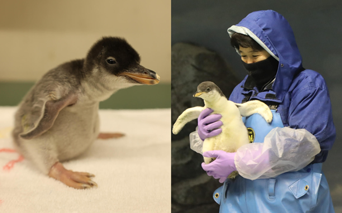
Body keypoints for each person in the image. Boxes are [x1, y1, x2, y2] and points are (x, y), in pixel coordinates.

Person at [195, 10, 336, 213]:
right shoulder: (242, 90)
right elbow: (230, 138)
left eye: (255, 55)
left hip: (285, 200)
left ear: (278, 51)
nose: (249, 63)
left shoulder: (306, 86)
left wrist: (237, 161)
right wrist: (206, 136)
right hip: (238, 198)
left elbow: (304, 146)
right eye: (243, 56)